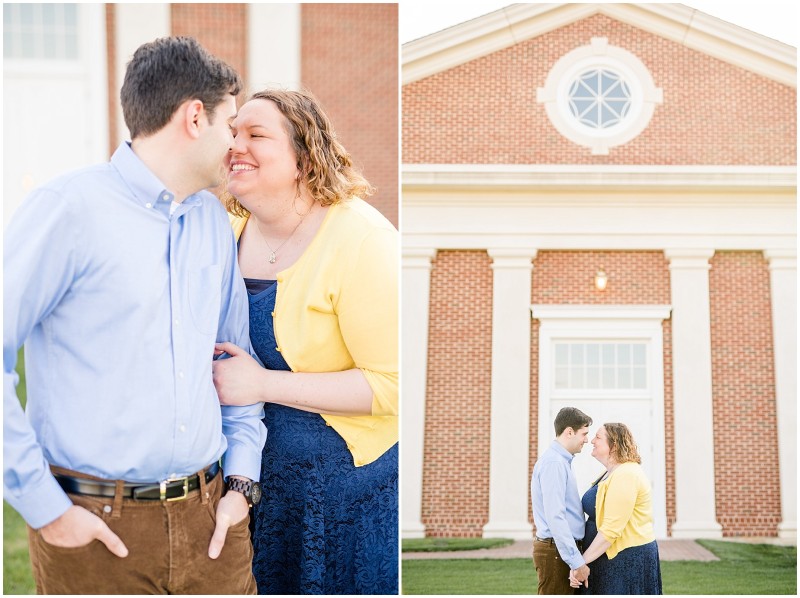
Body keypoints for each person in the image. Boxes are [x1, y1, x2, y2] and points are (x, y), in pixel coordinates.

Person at [3, 36, 267, 594]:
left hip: (211, 529)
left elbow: (232, 364)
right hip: (94, 534)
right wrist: (44, 507)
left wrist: (240, 486)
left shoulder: (213, 225)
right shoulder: (67, 211)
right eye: (231, 124)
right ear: (195, 117)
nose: (235, 143)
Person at [211, 88, 398, 594]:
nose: (235, 145)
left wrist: (262, 384)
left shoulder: (363, 241)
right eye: (231, 134)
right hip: (238, 482)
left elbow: (392, 387)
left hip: (338, 496)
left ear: (302, 155)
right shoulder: (220, 234)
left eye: (256, 135)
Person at [570, 423, 663, 594]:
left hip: (626, 559)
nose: (591, 441)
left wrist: (581, 563)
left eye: (598, 437)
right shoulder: (610, 472)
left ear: (613, 446)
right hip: (606, 557)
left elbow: (611, 530)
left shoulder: (626, 474)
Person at [531, 407, 593, 594]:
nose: (587, 439)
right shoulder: (555, 464)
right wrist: (576, 561)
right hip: (555, 552)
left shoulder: (561, 461)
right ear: (569, 432)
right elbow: (555, 517)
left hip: (560, 550)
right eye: (584, 433)